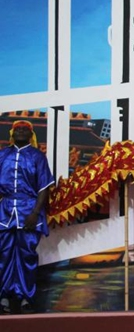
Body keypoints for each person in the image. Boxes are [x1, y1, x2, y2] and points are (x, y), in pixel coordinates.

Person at [0, 121, 55, 314]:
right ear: (12, 133)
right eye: (18, 129)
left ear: (31, 134)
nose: (21, 131)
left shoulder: (38, 157)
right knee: (4, 254)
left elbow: (43, 188)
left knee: (27, 255)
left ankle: (25, 297)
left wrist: (34, 213)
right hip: (5, 211)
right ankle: (4, 297)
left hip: (29, 212)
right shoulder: (2, 155)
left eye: (26, 129)